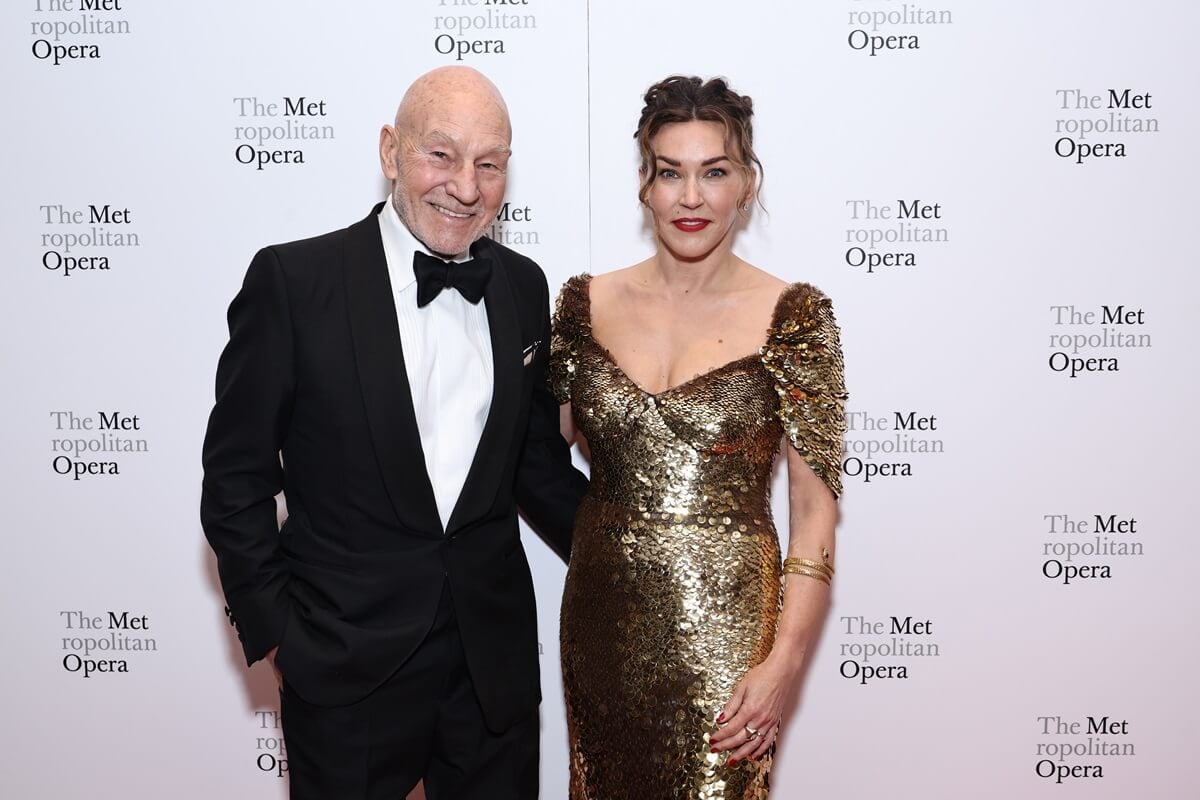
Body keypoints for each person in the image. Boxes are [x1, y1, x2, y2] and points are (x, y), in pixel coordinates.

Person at [201, 65, 587, 800]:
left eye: (489, 164)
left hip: (492, 671)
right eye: (440, 155)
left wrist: (647, 556)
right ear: (390, 152)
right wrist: (282, 633)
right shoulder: (294, 282)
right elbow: (235, 478)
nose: (465, 187)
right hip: (344, 665)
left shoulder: (523, 286)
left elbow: (535, 467)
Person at [549, 75, 848, 798]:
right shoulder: (582, 304)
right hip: (602, 625)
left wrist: (783, 664)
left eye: (714, 172)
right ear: (644, 185)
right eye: (669, 173)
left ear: (746, 184)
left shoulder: (794, 318)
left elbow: (814, 518)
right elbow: (540, 453)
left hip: (730, 631)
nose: (691, 198)